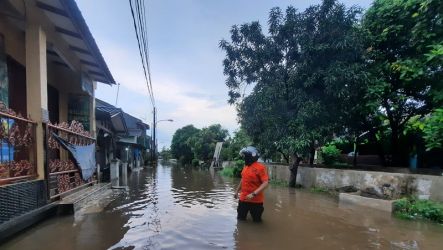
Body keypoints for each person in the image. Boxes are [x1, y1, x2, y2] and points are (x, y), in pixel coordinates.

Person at [234, 146, 269, 222]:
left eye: (245, 156)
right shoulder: (245, 166)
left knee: (257, 221)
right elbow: (243, 179)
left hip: (256, 201)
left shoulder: (260, 168)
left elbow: (265, 183)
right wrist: (237, 191)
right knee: (240, 220)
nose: (244, 158)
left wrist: (253, 194)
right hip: (243, 199)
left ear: (251, 156)